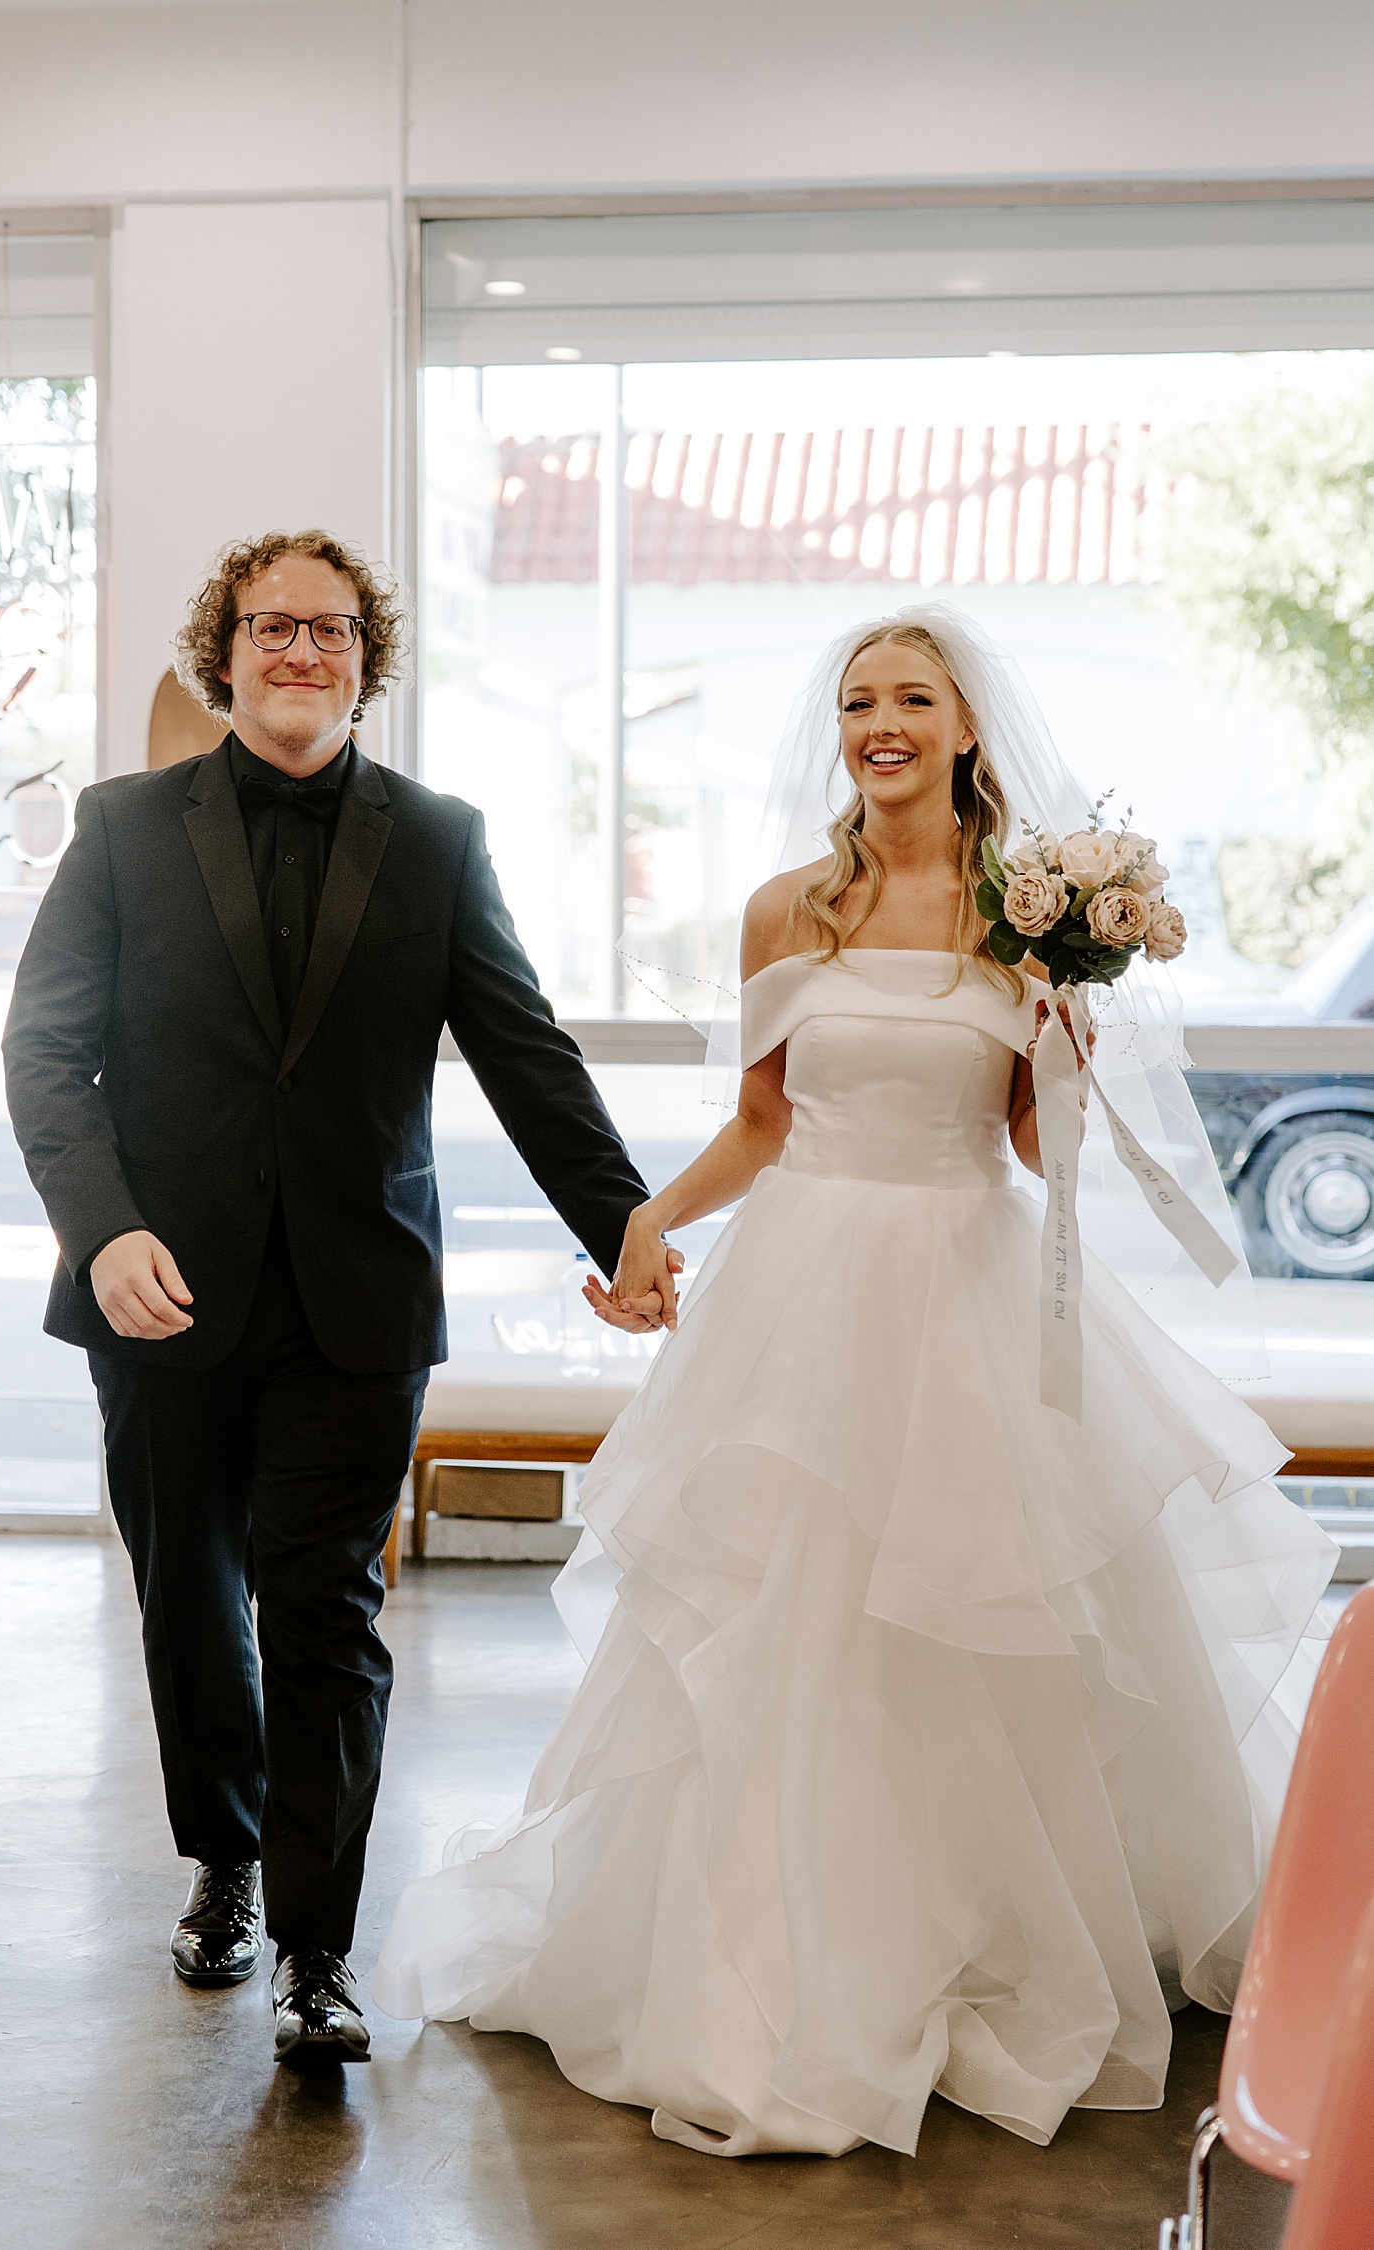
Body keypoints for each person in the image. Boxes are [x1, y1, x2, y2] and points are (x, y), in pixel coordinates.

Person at [371, 604, 1337, 2157]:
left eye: (909, 698)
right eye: (855, 700)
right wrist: (642, 1226)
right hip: (803, 1300)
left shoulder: (1029, 918)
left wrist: (1072, 1057)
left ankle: (972, 1932)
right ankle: (778, 1955)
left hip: (968, 1288)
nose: (878, 723)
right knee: (785, 1623)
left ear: (966, 728)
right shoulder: (783, 912)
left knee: (976, 1629)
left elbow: (1029, 1141)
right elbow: (762, 1127)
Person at [3, 529, 649, 2065]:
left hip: (359, 1295)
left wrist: (622, 1227)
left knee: (326, 1609)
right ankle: (222, 1855)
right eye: (273, 625)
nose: (303, 651)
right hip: (158, 1288)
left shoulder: (437, 839)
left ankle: (314, 1943)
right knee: (187, 1601)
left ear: (371, 658)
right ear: (219, 651)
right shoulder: (119, 826)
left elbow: (525, 1050)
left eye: (335, 630)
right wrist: (102, 1233)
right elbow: (45, 1049)